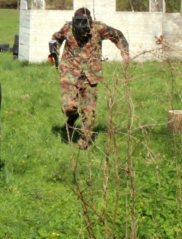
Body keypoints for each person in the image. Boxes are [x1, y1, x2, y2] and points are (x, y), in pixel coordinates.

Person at [50, 8, 130, 149]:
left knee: (89, 110)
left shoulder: (98, 28)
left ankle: (84, 142)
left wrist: (124, 53)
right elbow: (56, 38)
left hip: (91, 74)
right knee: (69, 107)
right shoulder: (67, 28)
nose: (82, 26)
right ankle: (72, 117)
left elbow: (118, 35)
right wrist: (53, 52)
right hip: (70, 72)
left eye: (85, 22)